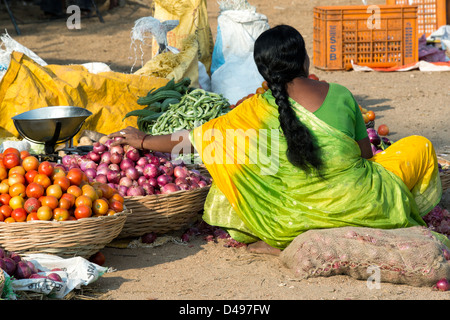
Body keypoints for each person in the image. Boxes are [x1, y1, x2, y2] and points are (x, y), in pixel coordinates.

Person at [109, 25, 443, 255]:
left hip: (286, 221)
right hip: (364, 204)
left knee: (234, 174)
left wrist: (142, 141)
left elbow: (196, 142)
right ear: (304, 61)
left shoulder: (255, 111)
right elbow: (366, 155)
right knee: (418, 146)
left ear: (263, 73)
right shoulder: (340, 94)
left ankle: (278, 239)